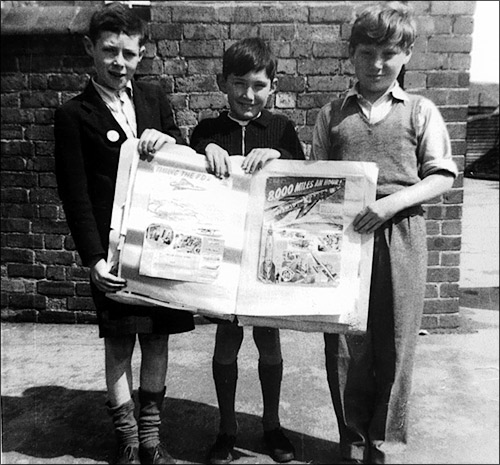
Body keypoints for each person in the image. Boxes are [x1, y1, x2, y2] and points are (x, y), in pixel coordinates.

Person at [311, 2, 458, 464]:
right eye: (366, 53)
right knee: (345, 344)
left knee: (396, 343)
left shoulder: (420, 111)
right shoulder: (332, 113)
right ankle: (352, 439)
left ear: (406, 55)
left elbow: (442, 174)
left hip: (401, 236)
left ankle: (384, 443)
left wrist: (391, 202)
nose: (376, 65)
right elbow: (316, 179)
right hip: (345, 240)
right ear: (351, 54)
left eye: (388, 54)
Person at [54, 3, 194, 464]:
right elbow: (75, 196)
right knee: (119, 343)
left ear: (142, 54)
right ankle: (128, 440)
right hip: (112, 255)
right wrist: (94, 260)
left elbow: (183, 151)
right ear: (89, 49)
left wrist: (168, 140)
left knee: (157, 339)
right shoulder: (74, 115)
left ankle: (153, 442)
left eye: (129, 54)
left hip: (158, 245)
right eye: (109, 51)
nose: (119, 62)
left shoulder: (154, 97)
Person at [190, 38, 305, 464]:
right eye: (239, 83)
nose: (248, 94)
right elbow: (187, 172)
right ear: (223, 82)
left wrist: (278, 155)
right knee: (225, 342)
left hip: (267, 253)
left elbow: (303, 174)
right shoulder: (207, 129)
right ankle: (227, 428)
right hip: (222, 255)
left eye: (258, 85)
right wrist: (206, 150)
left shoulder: (281, 128)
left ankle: (271, 425)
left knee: (269, 342)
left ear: (271, 87)